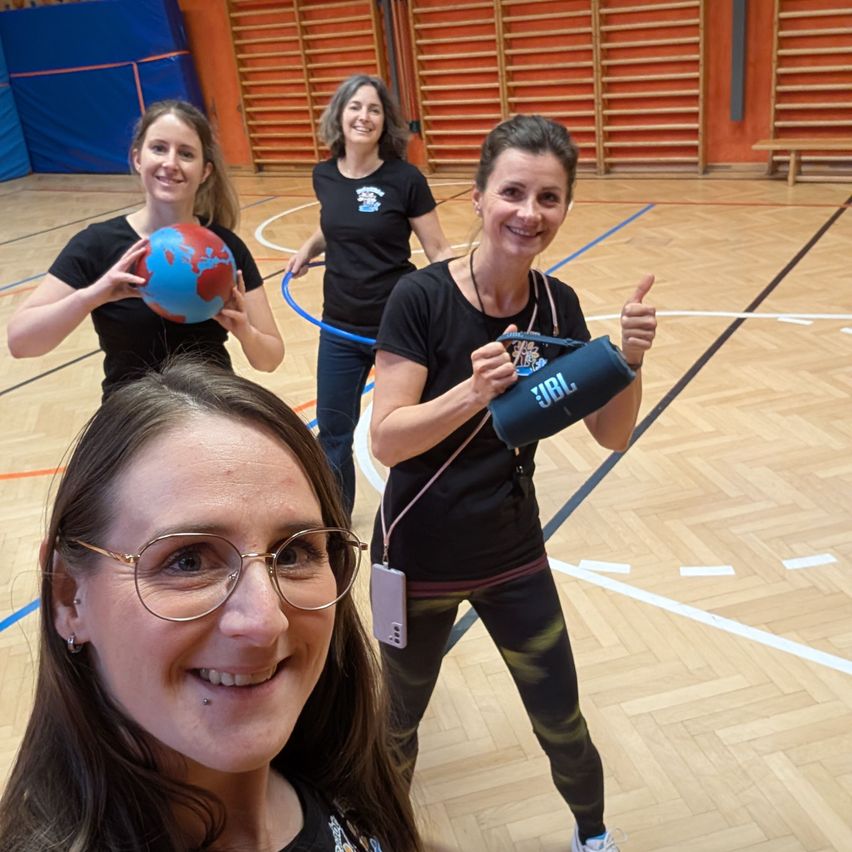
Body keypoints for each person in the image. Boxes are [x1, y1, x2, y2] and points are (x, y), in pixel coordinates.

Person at [369, 115, 657, 852]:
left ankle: (593, 836)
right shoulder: (419, 299)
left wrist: (627, 361)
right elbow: (386, 438)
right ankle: (379, 836)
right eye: (513, 192)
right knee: (396, 723)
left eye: (549, 198)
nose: (530, 213)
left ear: (565, 207)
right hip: (416, 556)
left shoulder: (558, 307)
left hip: (512, 553)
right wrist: (471, 393)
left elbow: (612, 434)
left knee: (562, 718)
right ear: (478, 197)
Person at [0, 359, 422, 852]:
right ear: (68, 596)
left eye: (293, 554)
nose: (264, 620)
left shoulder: (345, 778)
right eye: (188, 561)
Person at [7, 100, 284, 399]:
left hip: (208, 408)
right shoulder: (96, 244)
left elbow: (270, 359)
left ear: (205, 171)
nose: (171, 163)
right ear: (138, 158)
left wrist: (245, 331)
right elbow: (21, 343)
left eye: (186, 153)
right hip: (133, 412)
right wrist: (93, 295)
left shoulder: (223, 249)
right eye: (159, 148)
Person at [285, 74, 452, 517]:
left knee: (407, 432)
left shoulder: (405, 179)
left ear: (385, 121)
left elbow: (438, 249)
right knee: (334, 433)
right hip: (339, 326)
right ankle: (337, 523)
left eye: (374, 109)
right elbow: (335, 220)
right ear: (340, 115)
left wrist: (461, 298)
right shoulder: (324, 175)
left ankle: (422, 512)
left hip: (397, 328)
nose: (364, 116)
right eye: (355, 107)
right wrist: (309, 247)